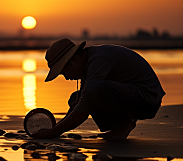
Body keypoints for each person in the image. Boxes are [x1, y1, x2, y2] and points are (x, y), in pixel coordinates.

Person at [32, 38, 165, 140]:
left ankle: (124, 125)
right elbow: (79, 105)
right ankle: (119, 125)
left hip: (147, 100)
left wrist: (53, 132)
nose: (66, 78)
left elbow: (85, 107)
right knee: (77, 97)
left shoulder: (99, 59)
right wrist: (56, 129)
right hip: (130, 95)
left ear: (74, 60)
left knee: (95, 91)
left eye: (63, 72)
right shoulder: (88, 64)